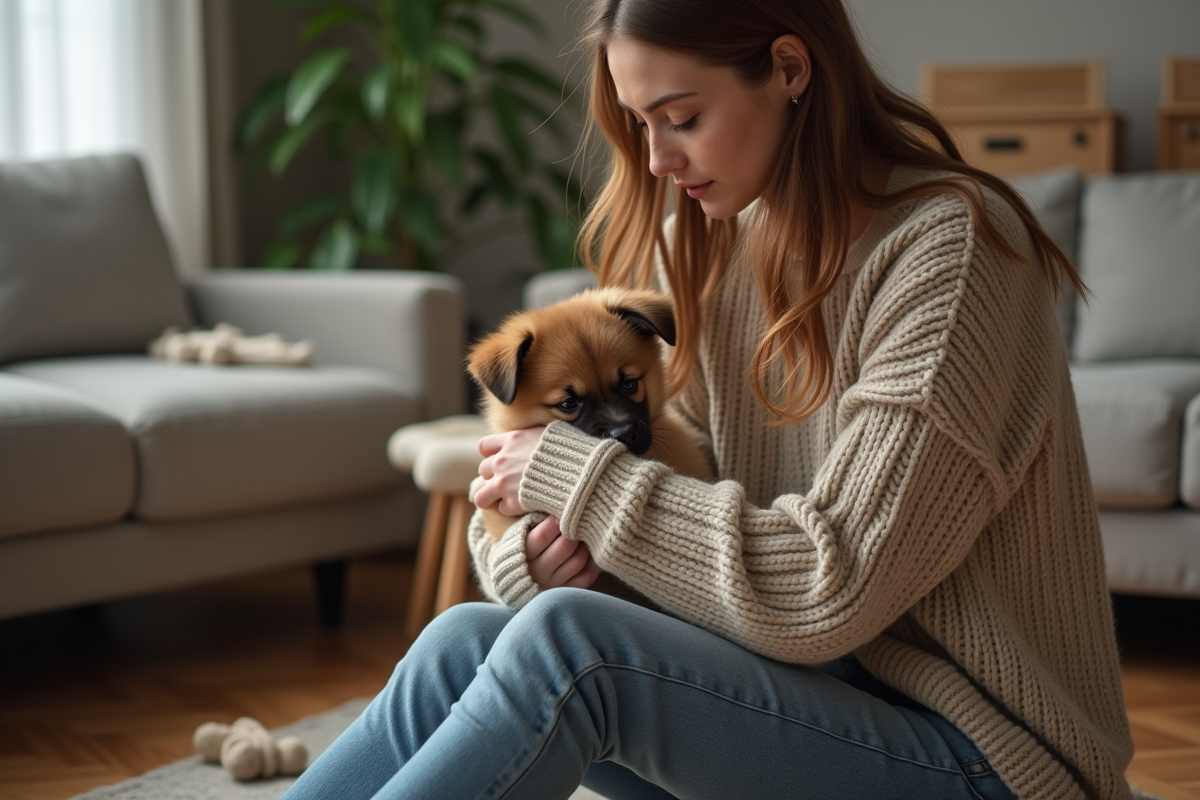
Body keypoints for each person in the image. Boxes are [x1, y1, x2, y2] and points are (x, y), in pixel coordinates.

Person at [282, 1, 1135, 798]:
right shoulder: (703, 247)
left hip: (989, 757)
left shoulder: (949, 252)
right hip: (816, 691)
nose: (656, 160)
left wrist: (586, 483)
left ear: (790, 68)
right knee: (459, 643)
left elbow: (828, 586)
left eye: (682, 117)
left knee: (571, 652)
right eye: (639, 124)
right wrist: (528, 560)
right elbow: (618, 468)